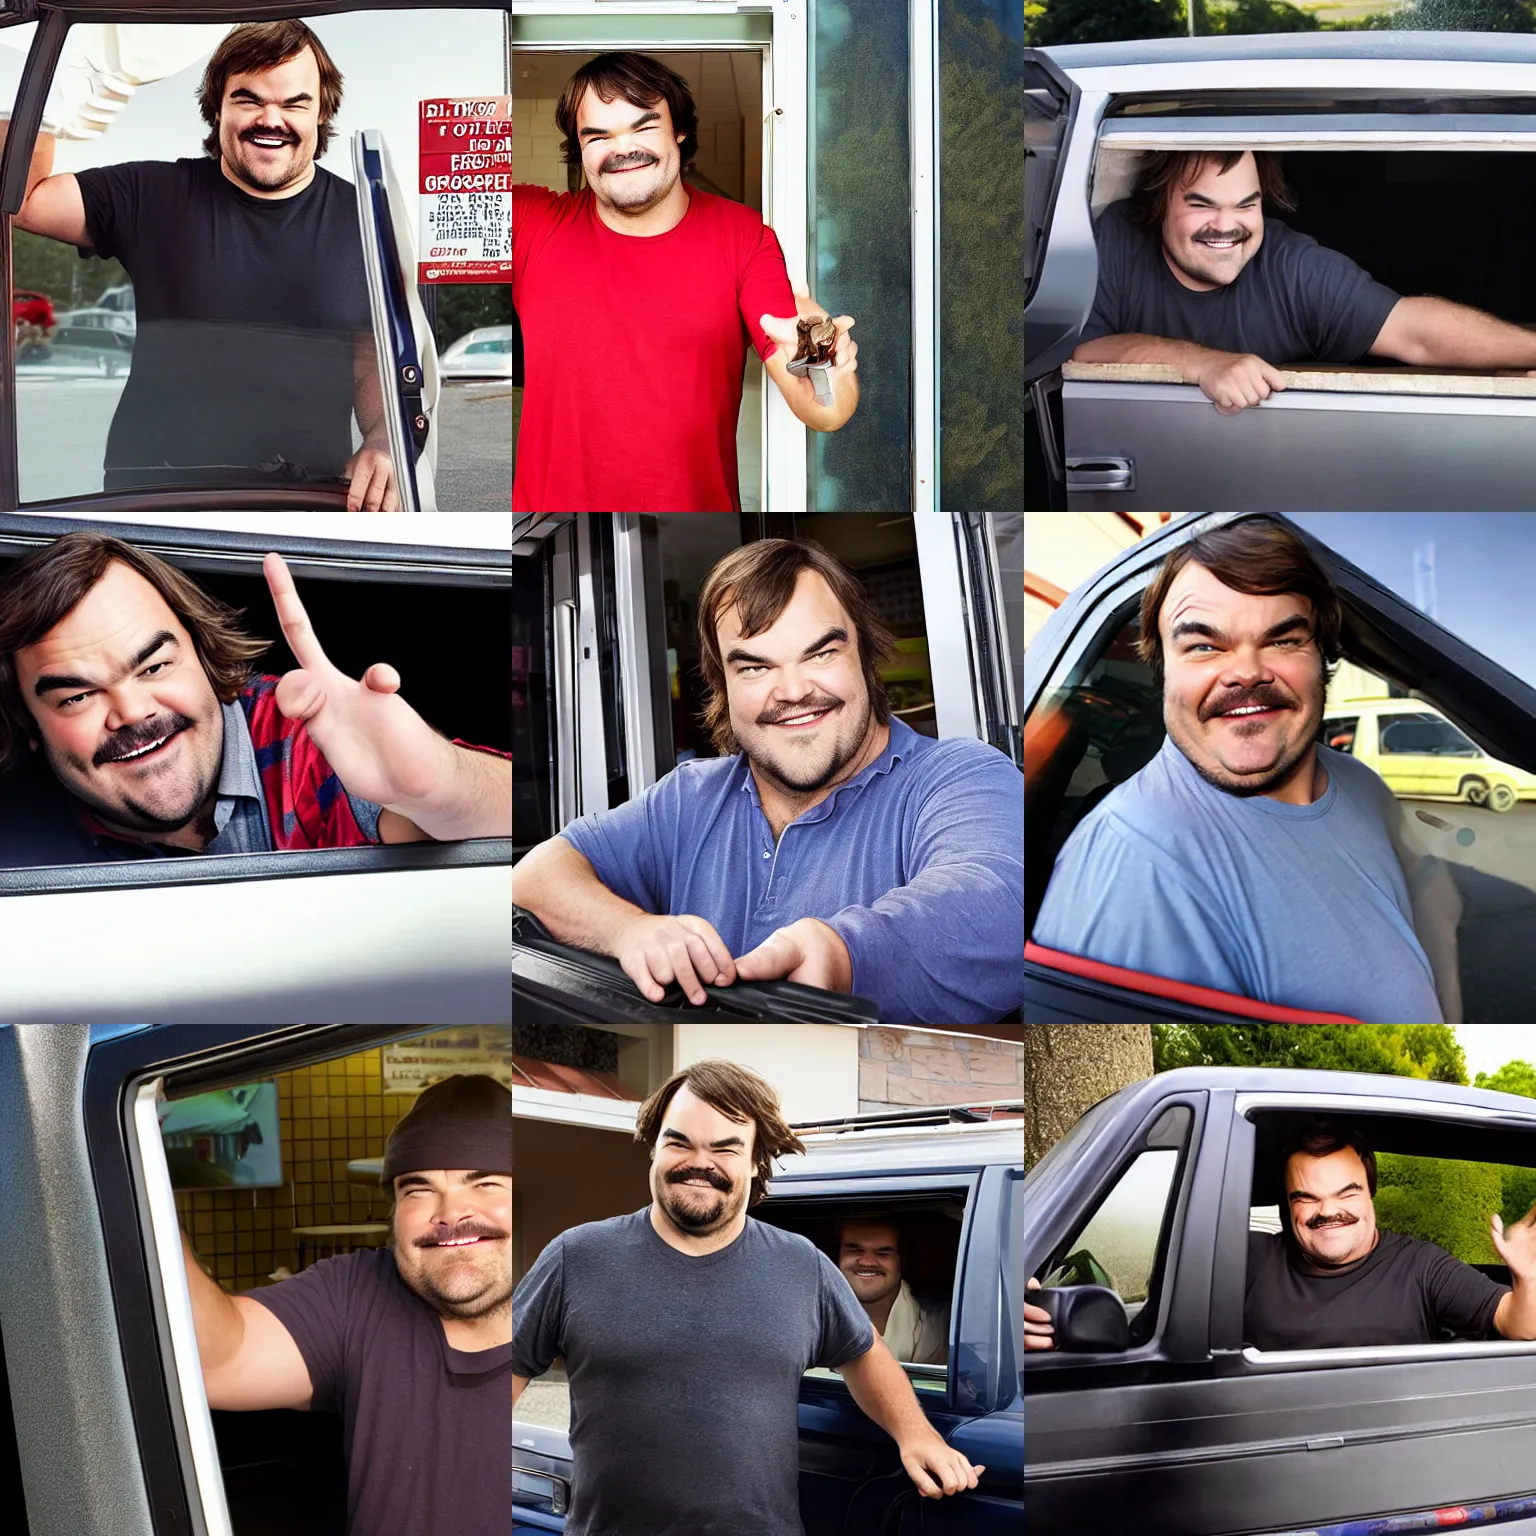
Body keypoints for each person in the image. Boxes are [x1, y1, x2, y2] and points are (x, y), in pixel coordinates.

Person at [509, 538, 1025, 1025]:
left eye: (821, 654)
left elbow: (995, 901)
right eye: (755, 667)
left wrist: (841, 955)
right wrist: (629, 930)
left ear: (864, 658)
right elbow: (537, 875)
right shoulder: (688, 798)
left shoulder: (958, 776)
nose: (795, 690)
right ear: (722, 686)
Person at [511, 1060, 982, 1536]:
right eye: (679, 1142)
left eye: (725, 1148)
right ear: (653, 1147)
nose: (700, 1162)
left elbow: (864, 1353)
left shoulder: (803, 1266)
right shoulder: (577, 1257)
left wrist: (916, 1435)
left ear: (756, 1160)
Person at [1030, 515, 1462, 1024]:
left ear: (1321, 656)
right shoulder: (1136, 862)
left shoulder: (1362, 785)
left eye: (1282, 640)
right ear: (1162, 668)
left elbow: (1432, 898)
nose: (1246, 672)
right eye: (1204, 646)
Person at [10, 20, 397, 508]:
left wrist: (385, 441)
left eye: (295, 103)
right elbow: (20, 199)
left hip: (313, 499)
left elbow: (374, 364)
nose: (271, 119)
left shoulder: (366, 221)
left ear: (322, 112)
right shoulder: (152, 196)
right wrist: (46, 76)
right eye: (249, 99)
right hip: (153, 501)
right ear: (217, 107)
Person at [0, 531, 511, 860]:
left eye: (155, 666)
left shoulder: (308, 742)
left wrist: (441, 785)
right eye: (77, 697)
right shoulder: (23, 839)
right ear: (28, 726)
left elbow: (525, 825)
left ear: (203, 655)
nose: (133, 712)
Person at [511, 51, 859, 512]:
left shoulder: (744, 237)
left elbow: (823, 407)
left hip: (694, 529)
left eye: (643, 126)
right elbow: (436, 191)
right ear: (579, 149)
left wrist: (827, 367)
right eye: (597, 136)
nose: (621, 149)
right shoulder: (534, 226)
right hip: (549, 527)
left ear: (678, 129)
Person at [179, 1073, 512, 1536]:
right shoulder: (358, 1294)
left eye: (488, 1183)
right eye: (417, 1189)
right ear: (393, 1212)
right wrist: (135, 1184)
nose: (450, 1213)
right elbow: (217, 1358)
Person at [1074, 149, 1536, 415]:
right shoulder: (1114, 239)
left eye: (1245, 205)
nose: (1226, 225)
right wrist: (1201, 363)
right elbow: (1083, 351)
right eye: (1201, 205)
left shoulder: (1292, 267)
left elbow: (1416, 332)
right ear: (1159, 206)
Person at [1024, 1118, 1536, 1354]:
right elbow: (1151, 1337)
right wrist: (1047, 1322)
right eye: (1306, 1198)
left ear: (1371, 1194)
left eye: (1346, 1193)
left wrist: (1529, 1281)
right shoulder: (1242, 1256)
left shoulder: (1422, 1266)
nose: (1327, 1211)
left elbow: (1519, 1326)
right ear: (1284, 1206)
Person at [837, 1216, 950, 1365]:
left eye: (883, 1253)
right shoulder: (809, 1314)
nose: (867, 1262)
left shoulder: (932, 1330)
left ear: (902, 1262)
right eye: (855, 1250)